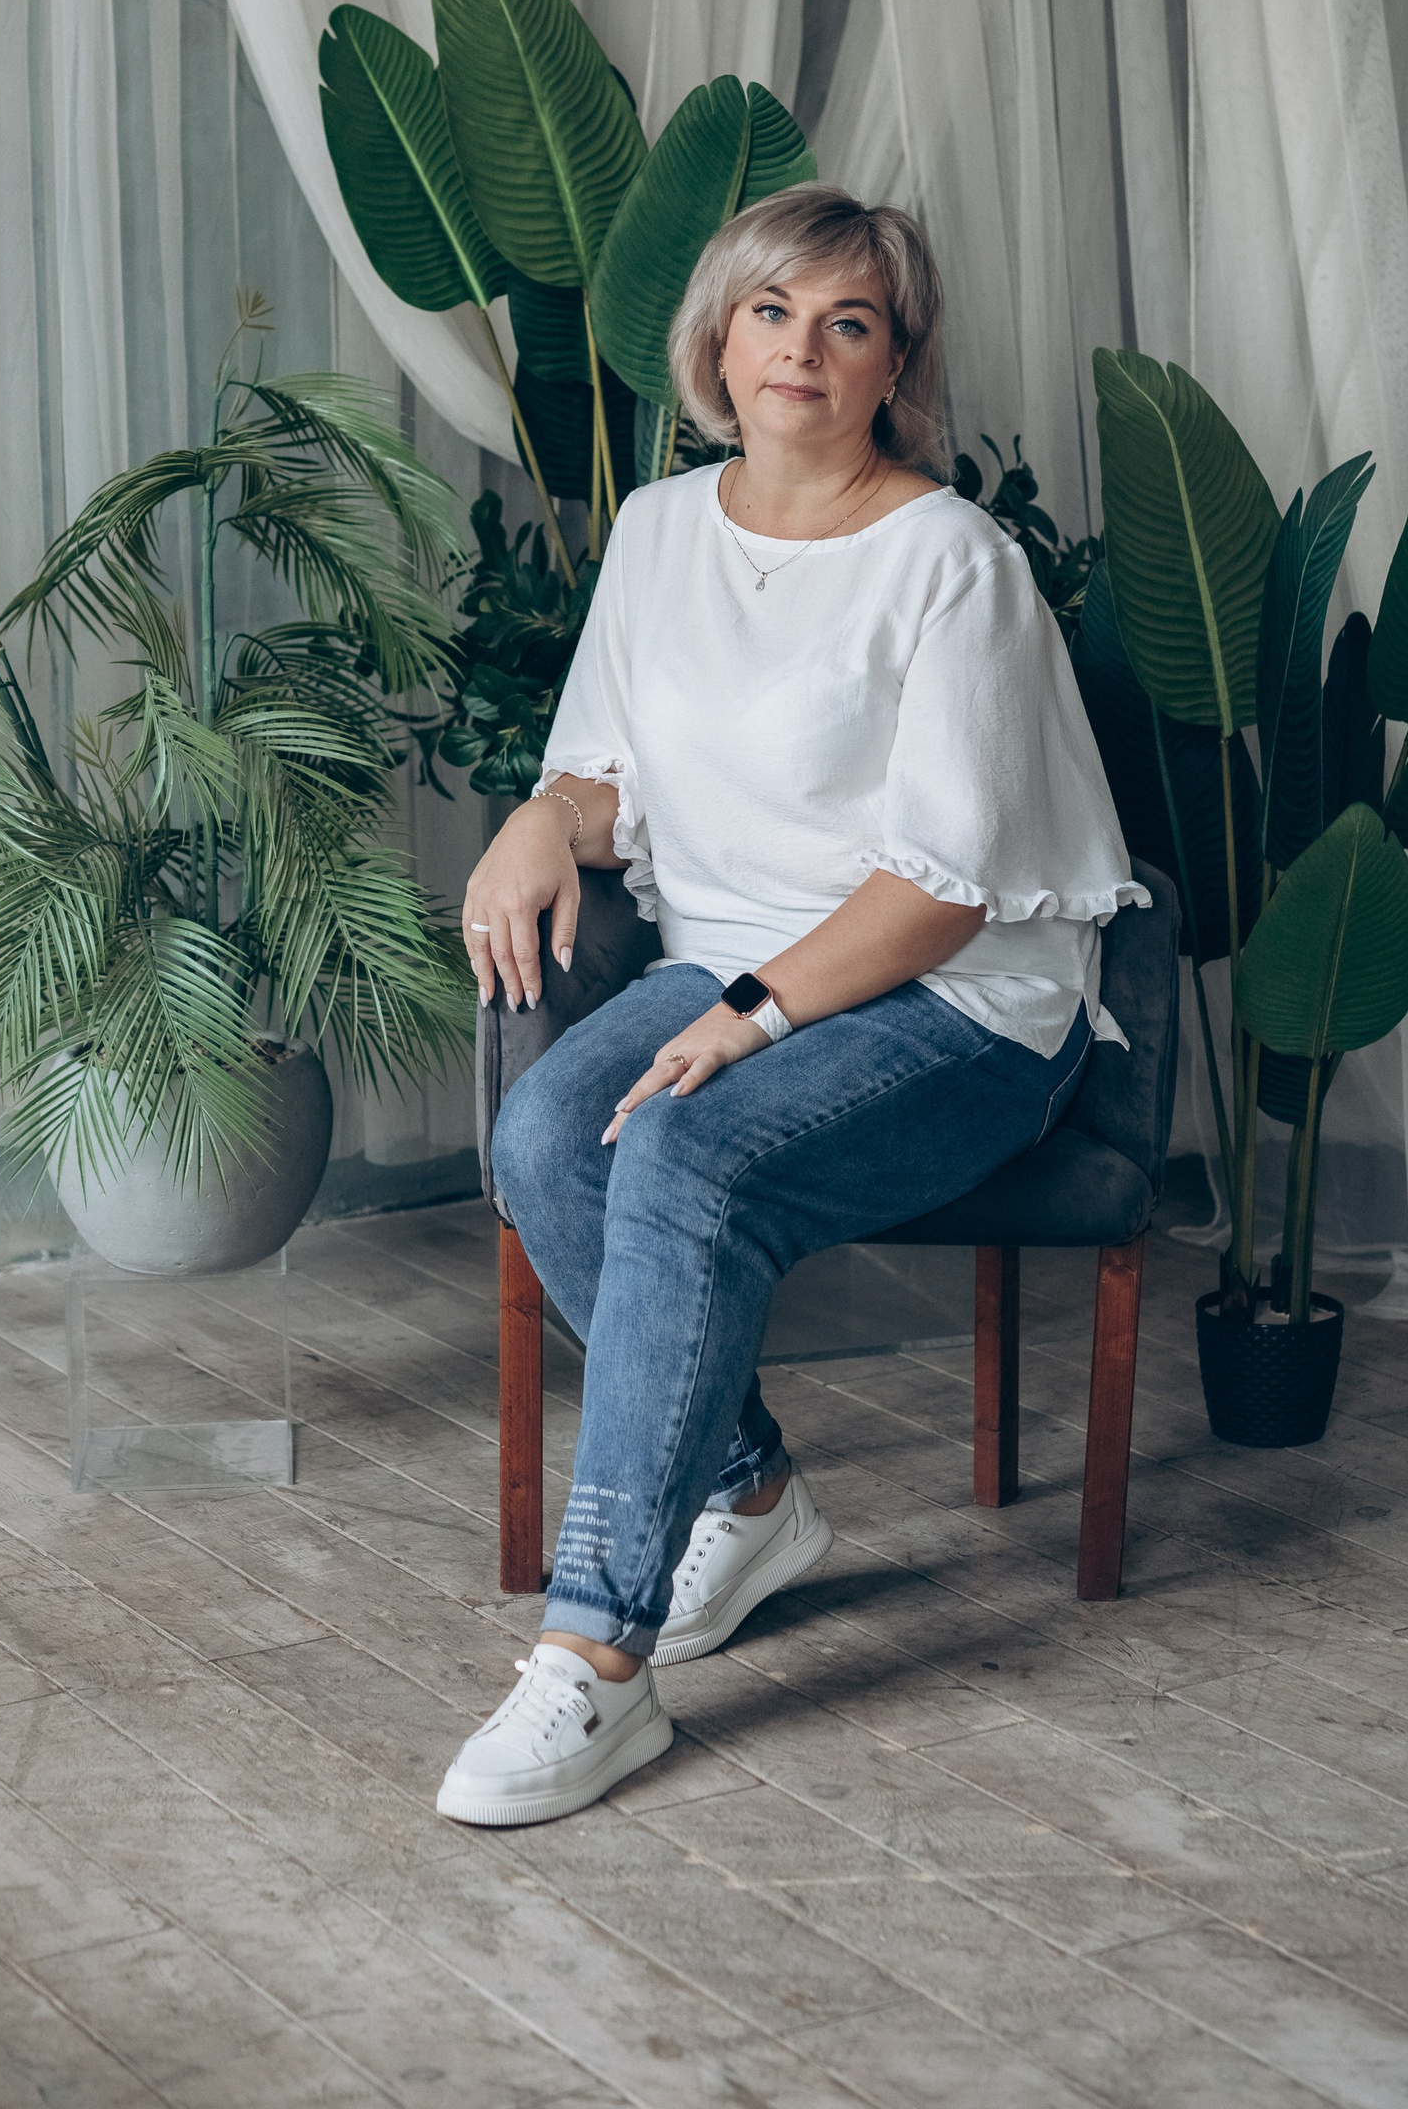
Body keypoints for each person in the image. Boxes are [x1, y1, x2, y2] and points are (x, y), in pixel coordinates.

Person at [437, 186, 1140, 1829]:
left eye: (848, 323)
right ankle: (750, 1494)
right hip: (730, 957)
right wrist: (543, 815)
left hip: (959, 1000)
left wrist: (754, 1014)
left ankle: (596, 1662)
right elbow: (612, 775)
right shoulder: (660, 533)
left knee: (680, 1156)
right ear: (719, 337)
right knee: (546, 1135)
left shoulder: (952, 562)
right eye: (772, 311)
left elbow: (945, 888)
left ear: (896, 363)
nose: (801, 350)